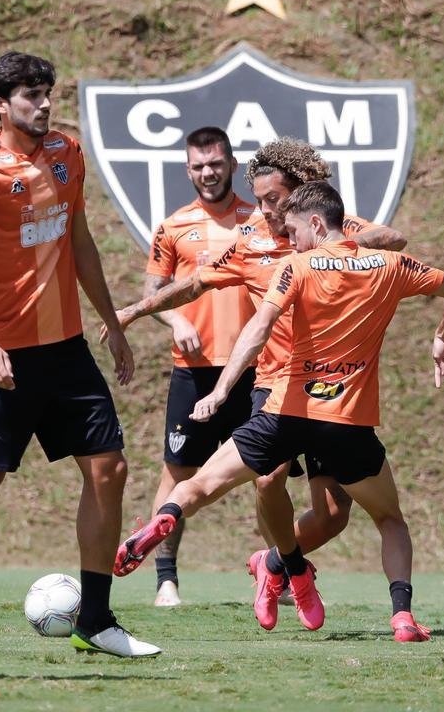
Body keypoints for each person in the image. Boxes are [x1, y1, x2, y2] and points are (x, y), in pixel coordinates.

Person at [114, 181, 444, 641]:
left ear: (317, 224)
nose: (291, 240)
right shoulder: (390, 265)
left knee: (201, 484)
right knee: (390, 519)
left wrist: (223, 390)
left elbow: (258, 328)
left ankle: (164, 517)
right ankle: (402, 615)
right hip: (347, 423)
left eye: (296, 230)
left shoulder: (295, 267)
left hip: (284, 412)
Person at [0, 51, 159, 660]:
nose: (43, 104)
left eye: (47, 93)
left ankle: (96, 619)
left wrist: (114, 323)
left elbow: (81, 239)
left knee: (109, 469)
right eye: (30, 96)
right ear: (0, 106)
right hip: (5, 357)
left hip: (66, 350)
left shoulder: (67, 154)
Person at [137, 126, 258, 607]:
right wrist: (174, 320)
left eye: (216, 163)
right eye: (198, 166)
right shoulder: (173, 226)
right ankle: (165, 577)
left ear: (232, 164)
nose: (208, 172)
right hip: (195, 369)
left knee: (269, 475)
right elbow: (153, 295)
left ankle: (282, 572)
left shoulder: (261, 219)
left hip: (255, 368)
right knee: (177, 473)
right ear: (188, 169)